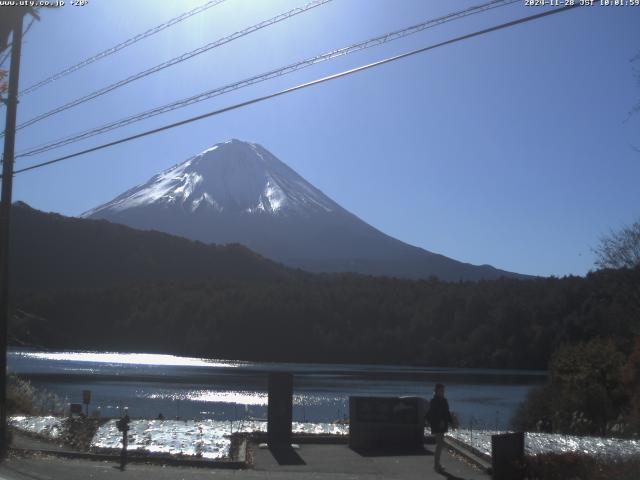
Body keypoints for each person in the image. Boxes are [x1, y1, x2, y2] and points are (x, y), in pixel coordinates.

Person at [425, 383, 453, 473]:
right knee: (439, 444)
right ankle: (436, 465)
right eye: (441, 390)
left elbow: (447, 413)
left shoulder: (444, 400)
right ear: (436, 391)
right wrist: (436, 421)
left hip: (443, 424)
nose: (442, 392)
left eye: (443, 391)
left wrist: (451, 422)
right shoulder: (434, 401)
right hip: (437, 424)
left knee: (439, 445)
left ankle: (437, 464)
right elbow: (433, 413)